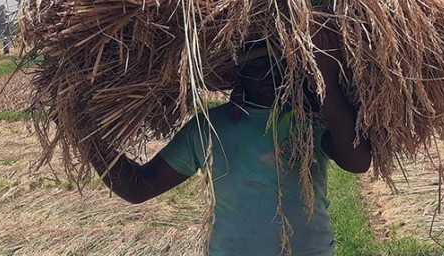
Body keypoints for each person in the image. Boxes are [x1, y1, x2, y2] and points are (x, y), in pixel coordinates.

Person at [84, 25, 371, 255]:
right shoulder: (209, 127)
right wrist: (85, 135)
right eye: (257, 64)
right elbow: (136, 187)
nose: (270, 71)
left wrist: (328, 81)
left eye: (277, 62)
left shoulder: (311, 119)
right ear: (236, 73)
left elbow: (357, 163)